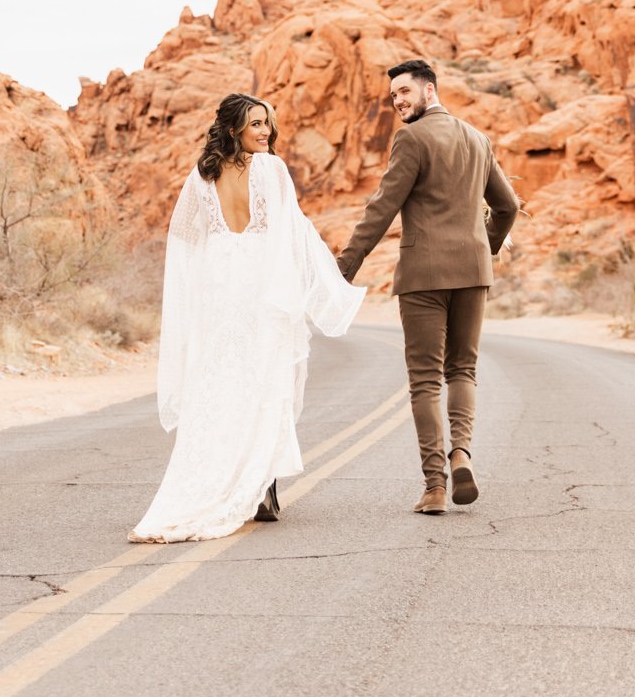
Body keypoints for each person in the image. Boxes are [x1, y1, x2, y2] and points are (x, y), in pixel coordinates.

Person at [129, 94, 366, 543]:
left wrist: (203, 282)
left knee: (221, 383)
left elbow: (182, 241)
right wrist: (314, 283)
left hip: (220, 286)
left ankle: (235, 481)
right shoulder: (272, 170)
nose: (265, 132)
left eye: (268, 125)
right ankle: (257, 485)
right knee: (260, 382)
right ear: (235, 127)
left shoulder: (201, 176)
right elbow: (293, 231)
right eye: (256, 124)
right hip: (258, 289)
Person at [336, 59, 519, 515]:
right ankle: (462, 454)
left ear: (429, 90)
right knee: (463, 370)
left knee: (423, 381)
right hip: (473, 273)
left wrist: (344, 267)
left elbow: (381, 208)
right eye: (393, 96)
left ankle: (435, 486)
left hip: (423, 276)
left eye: (404, 92)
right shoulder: (478, 139)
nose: (398, 101)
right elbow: (508, 206)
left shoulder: (411, 138)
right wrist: (486, 247)